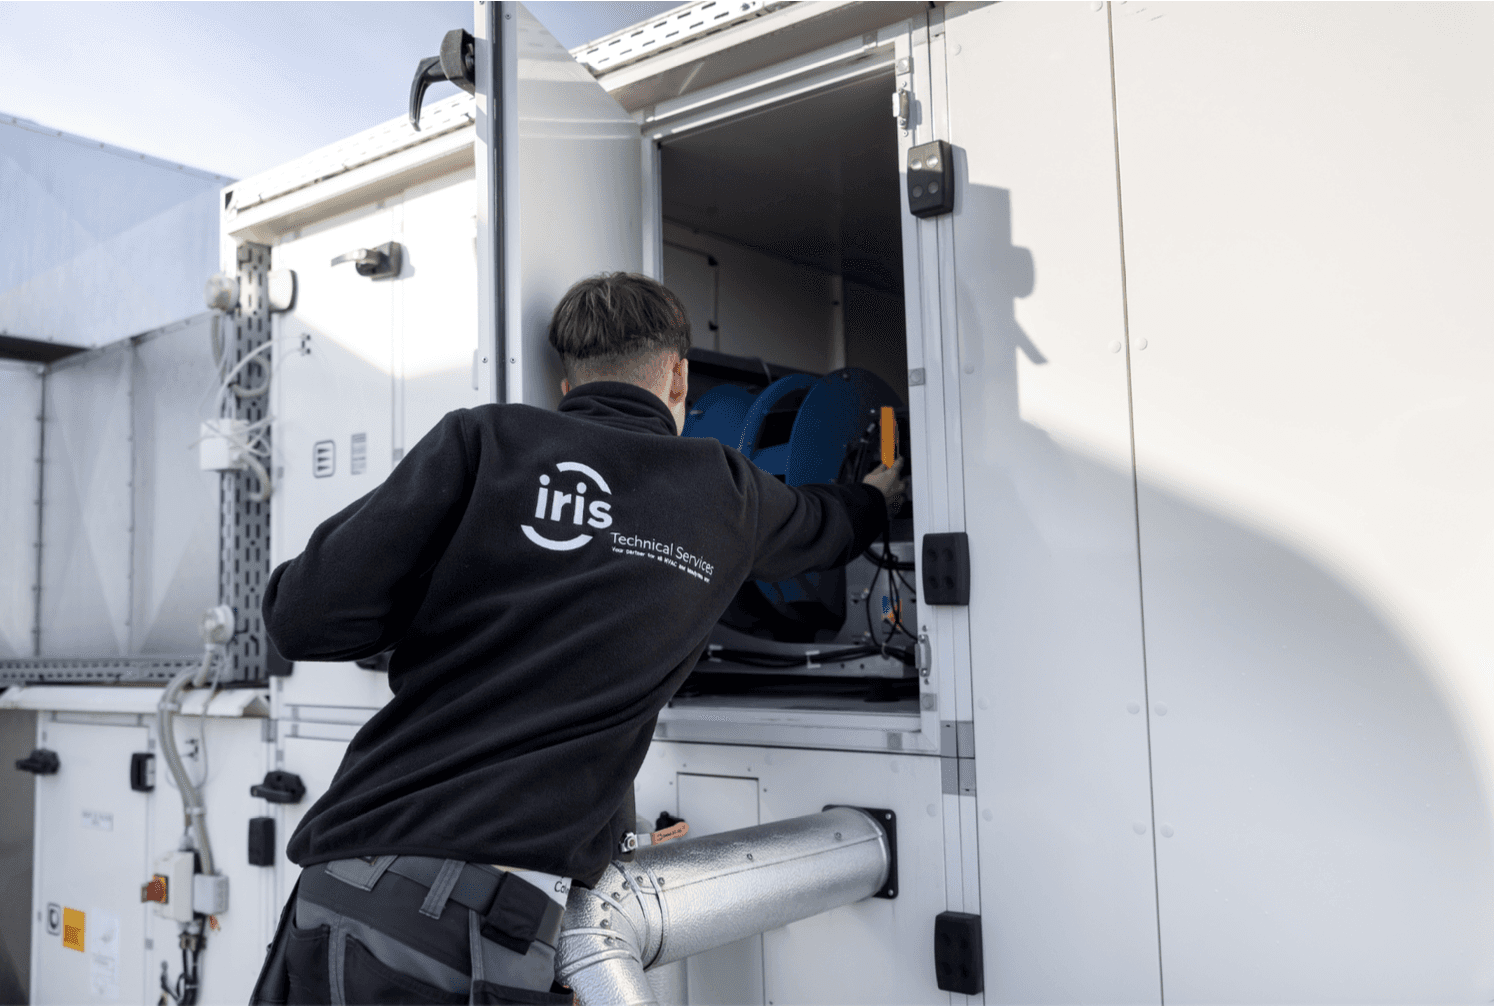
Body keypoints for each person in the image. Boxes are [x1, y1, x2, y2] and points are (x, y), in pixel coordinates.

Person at [249, 272, 906, 1005]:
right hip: (465, 932)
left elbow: (300, 616)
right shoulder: (727, 493)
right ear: (678, 375)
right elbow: (829, 525)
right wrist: (878, 494)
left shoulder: (485, 441)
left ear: (568, 385)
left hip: (342, 884)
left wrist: (445, 597)